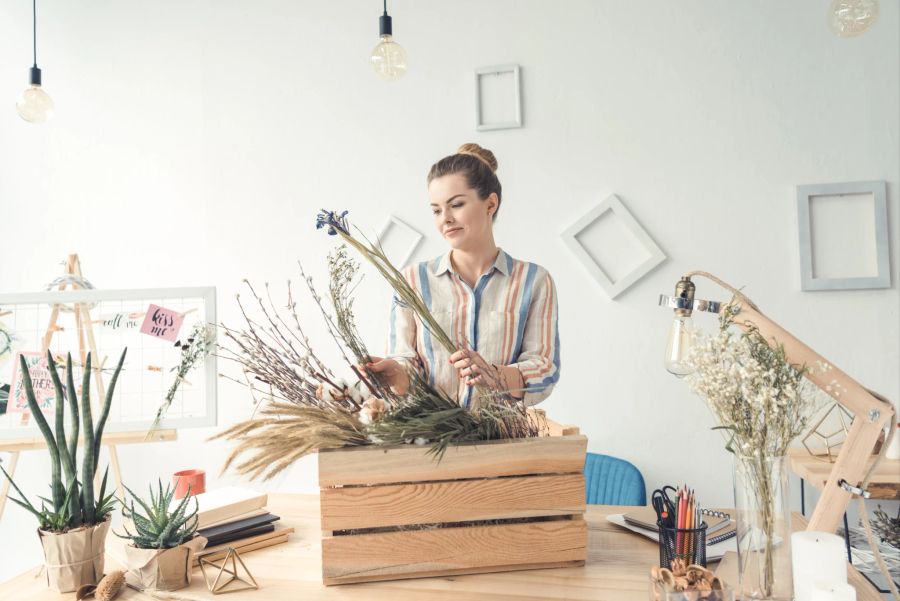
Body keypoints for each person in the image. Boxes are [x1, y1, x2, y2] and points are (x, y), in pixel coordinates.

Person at [366, 143, 560, 407]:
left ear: (490, 204)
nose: (445, 218)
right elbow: (406, 361)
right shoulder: (412, 281)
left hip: (503, 439)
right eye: (436, 210)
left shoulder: (533, 281)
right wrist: (395, 374)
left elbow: (545, 369)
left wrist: (496, 376)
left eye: (456, 205)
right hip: (428, 439)